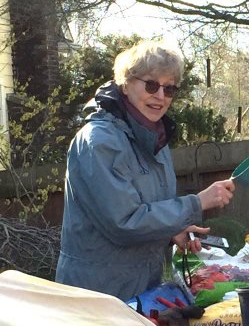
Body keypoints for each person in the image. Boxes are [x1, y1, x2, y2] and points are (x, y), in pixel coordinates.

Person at [56, 40, 235, 301]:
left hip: (142, 290)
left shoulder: (155, 141)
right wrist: (197, 203)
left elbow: (150, 208)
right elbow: (125, 223)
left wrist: (174, 230)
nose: (160, 96)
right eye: (151, 85)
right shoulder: (99, 141)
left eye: (170, 88)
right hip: (97, 296)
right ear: (126, 84)